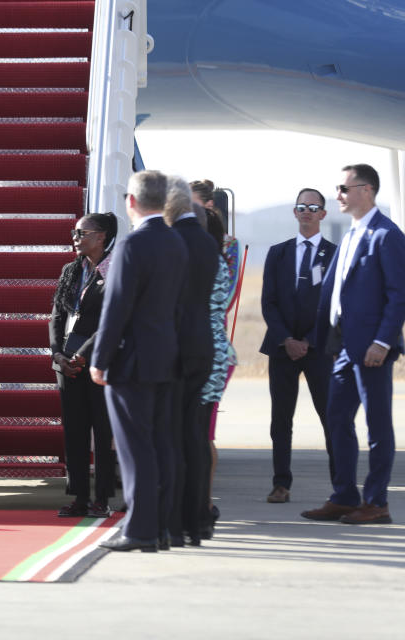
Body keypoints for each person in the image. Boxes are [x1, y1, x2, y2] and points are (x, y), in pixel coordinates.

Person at [90, 170, 188, 552]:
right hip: (169, 358)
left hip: (132, 362)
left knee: (133, 449)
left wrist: (100, 359)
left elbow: (117, 308)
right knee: (162, 445)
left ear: (131, 202)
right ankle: (162, 525)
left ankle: (140, 528)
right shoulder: (178, 243)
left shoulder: (132, 246)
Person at [302, 163, 405, 525]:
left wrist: (383, 341)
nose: (339, 195)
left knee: (377, 426)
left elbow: (398, 294)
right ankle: (344, 496)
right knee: (337, 418)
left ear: (367, 191)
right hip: (344, 346)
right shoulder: (351, 234)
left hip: (373, 348)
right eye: (339, 188)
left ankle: (376, 503)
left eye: (345, 189)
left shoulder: (386, 234)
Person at [259, 188, 336, 505]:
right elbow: (269, 302)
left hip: (319, 349)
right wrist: (286, 339)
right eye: (301, 206)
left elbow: (335, 304)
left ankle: (342, 484)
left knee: (331, 418)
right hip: (282, 348)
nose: (307, 211)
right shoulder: (278, 253)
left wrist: (309, 341)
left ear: (323, 214)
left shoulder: (335, 254)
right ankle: (281, 483)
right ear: (294, 212)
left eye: (313, 207)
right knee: (281, 419)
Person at [48, 213, 118, 518]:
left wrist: (85, 354)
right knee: (74, 432)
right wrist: (56, 354)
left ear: (101, 236)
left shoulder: (116, 271)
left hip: (99, 361)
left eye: (82, 232)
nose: (75, 237)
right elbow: (57, 316)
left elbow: (114, 320)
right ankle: (78, 495)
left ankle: (101, 497)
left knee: (102, 431)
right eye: (74, 232)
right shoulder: (71, 270)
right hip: (67, 362)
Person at [163, 176, 218, 547]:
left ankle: (176, 524)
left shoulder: (170, 242)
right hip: (204, 349)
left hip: (174, 350)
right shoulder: (210, 245)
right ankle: (197, 521)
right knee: (195, 440)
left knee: (172, 441)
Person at [198, 209, 238, 535]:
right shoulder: (207, 261)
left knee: (203, 434)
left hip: (209, 359)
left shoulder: (211, 264)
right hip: (206, 356)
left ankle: (205, 502)